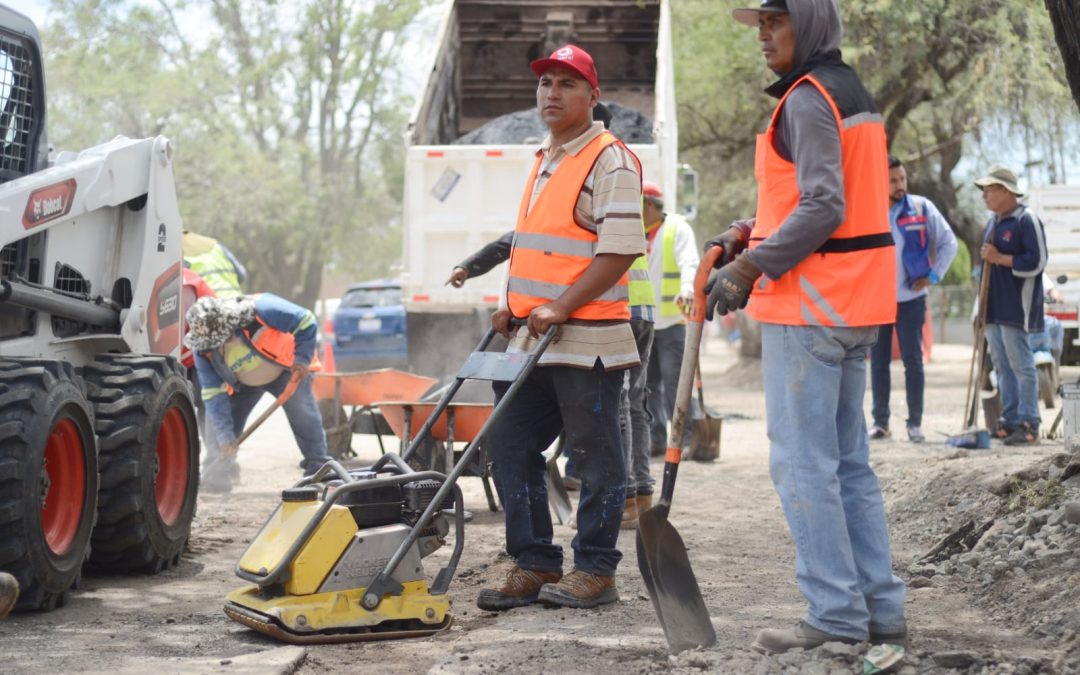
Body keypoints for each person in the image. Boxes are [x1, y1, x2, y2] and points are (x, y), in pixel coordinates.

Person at [704, 0, 907, 653]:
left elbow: (823, 203)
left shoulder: (805, 98)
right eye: (760, 24)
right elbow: (813, 195)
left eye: (774, 22)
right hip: (856, 304)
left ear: (810, 24)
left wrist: (750, 266)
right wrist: (747, 231)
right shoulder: (851, 93)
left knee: (803, 466)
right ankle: (879, 610)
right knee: (848, 465)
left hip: (811, 306)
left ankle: (835, 615)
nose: (762, 35)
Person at [475, 44, 645, 611]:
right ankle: (533, 562)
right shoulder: (544, 157)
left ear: (592, 97)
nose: (552, 93)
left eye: (567, 84)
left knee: (596, 458)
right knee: (510, 444)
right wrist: (512, 303)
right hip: (529, 340)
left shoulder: (610, 159)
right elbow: (533, 248)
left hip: (587, 340)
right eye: (546, 83)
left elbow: (618, 252)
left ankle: (596, 570)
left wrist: (562, 305)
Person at [185, 294, 332, 493]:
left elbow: (306, 320)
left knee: (303, 413)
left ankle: (319, 469)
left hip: (285, 370)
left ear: (228, 326)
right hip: (243, 384)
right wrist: (225, 437)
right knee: (220, 434)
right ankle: (216, 477)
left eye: (218, 341)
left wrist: (302, 360)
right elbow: (213, 395)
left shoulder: (261, 310)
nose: (214, 347)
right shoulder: (203, 347)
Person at [869, 156, 958, 443]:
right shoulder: (869, 211)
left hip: (912, 298)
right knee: (878, 362)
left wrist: (933, 276)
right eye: (893, 180)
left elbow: (948, 242)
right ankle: (880, 423)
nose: (900, 185)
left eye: (902, 179)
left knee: (913, 362)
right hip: (878, 299)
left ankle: (914, 424)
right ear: (881, 182)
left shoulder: (921, 207)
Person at [976, 164, 1048, 445]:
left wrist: (1000, 258)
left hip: (1016, 306)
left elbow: (1038, 261)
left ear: (1005, 191)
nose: (984, 196)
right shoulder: (993, 222)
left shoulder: (1026, 220)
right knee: (1002, 367)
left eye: (989, 190)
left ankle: (1029, 423)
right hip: (993, 308)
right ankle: (1009, 419)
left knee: (1022, 365)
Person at [642, 180, 699, 456]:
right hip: (643, 323)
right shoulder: (634, 232)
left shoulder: (677, 229)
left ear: (650, 205)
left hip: (671, 322)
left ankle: (684, 439)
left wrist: (688, 290)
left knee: (675, 383)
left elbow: (690, 262)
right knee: (648, 386)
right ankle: (654, 441)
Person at [182, 230, 247, 298]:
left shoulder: (177, 250)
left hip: (210, 304)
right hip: (237, 302)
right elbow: (241, 274)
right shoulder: (215, 244)